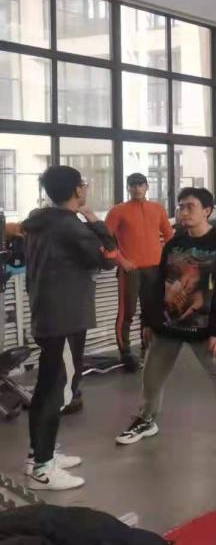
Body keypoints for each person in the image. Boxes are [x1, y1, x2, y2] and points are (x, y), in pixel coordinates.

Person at [114, 188, 216, 462]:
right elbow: (158, 285)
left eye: (190, 206)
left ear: (207, 211)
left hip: (206, 329)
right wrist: (150, 321)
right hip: (168, 326)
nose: (183, 212)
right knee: (152, 376)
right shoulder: (173, 244)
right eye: (181, 206)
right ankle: (146, 419)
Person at [21, 166, 117, 490]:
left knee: (48, 387)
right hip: (65, 318)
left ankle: (38, 454)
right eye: (83, 185)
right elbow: (109, 256)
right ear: (77, 190)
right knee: (57, 391)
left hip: (50, 313)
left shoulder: (39, 221)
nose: (86, 189)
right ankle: (43, 469)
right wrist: (93, 219)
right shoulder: (70, 226)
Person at [105, 173, 174, 372]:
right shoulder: (118, 211)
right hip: (130, 270)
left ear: (146, 186)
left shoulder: (157, 209)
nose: (137, 188)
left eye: (140, 184)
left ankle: (148, 349)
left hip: (154, 268)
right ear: (128, 188)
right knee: (127, 312)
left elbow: (169, 237)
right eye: (133, 185)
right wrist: (121, 261)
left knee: (151, 311)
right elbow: (104, 240)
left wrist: (165, 260)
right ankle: (125, 353)